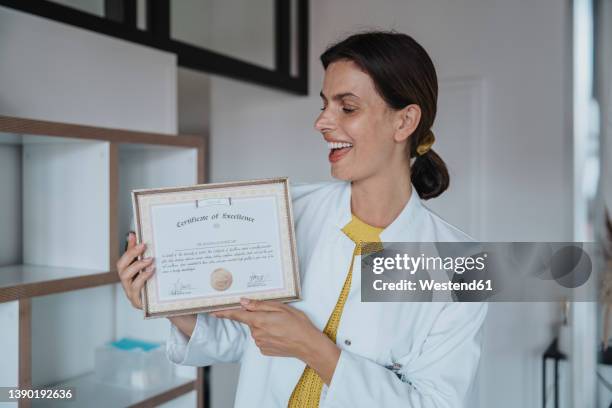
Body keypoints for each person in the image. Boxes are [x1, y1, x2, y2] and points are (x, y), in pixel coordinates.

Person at [117, 30, 487, 407]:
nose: (322, 123)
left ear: (405, 121)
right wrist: (169, 301)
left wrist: (315, 349)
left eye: (347, 107)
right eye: (324, 105)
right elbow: (244, 337)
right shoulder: (285, 212)